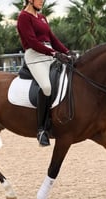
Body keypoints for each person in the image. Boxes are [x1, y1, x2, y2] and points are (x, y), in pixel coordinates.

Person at [17, 0, 72, 147]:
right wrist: (54, 53)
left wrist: (67, 52)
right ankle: (41, 129)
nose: (42, 1)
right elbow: (32, 41)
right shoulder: (23, 17)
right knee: (46, 87)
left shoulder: (42, 17)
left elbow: (53, 39)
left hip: (48, 55)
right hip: (34, 56)